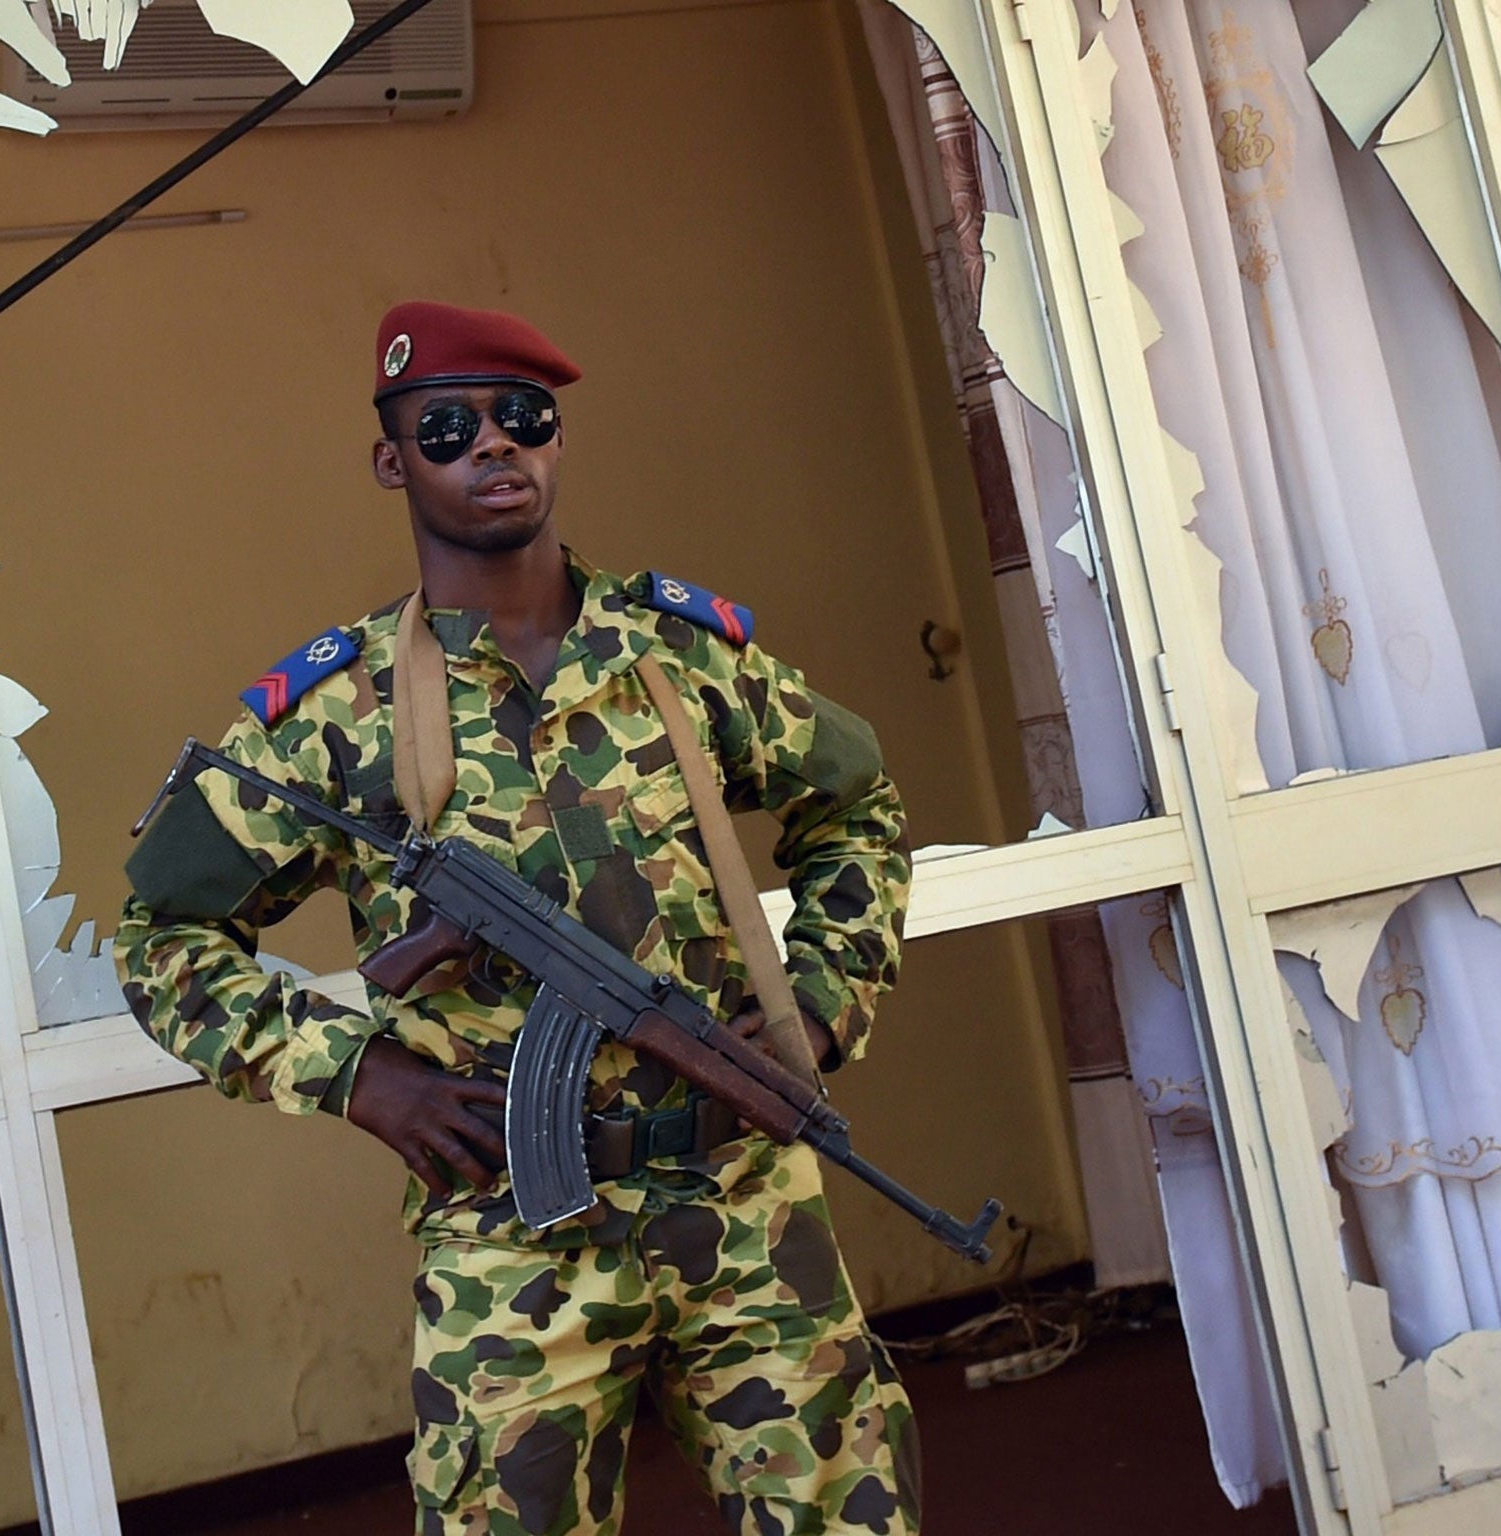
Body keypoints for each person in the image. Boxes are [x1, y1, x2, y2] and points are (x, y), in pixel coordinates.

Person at [115, 300, 918, 1535]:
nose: (494, 447)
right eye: (448, 427)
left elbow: (854, 808)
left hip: (742, 1194)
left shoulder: (680, 656)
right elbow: (160, 939)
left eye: (522, 418)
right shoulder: (339, 717)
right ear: (393, 462)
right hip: (509, 1238)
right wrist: (353, 1073)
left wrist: (815, 1000)